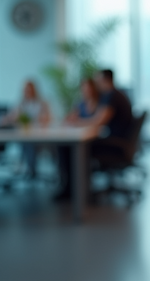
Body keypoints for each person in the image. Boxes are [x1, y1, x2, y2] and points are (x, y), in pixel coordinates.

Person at [56, 69, 134, 201]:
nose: (96, 84)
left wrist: (77, 122)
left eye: (98, 80)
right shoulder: (116, 94)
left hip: (116, 144)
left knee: (73, 147)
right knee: (74, 146)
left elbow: (98, 121)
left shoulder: (112, 96)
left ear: (104, 80)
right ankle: (76, 188)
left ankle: (75, 190)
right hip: (119, 142)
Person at [12, 80, 53, 178]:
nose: (28, 92)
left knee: (29, 143)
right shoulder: (21, 104)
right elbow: (13, 118)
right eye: (26, 90)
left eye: (30, 89)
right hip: (24, 135)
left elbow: (47, 118)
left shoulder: (41, 103)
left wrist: (42, 119)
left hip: (39, 135)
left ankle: (29, 169)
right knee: (26, 142)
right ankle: (30, 169)